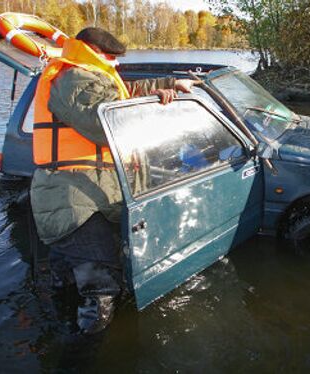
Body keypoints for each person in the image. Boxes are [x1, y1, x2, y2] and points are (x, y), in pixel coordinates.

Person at [29, 27, 197, 334]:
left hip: (86, 193)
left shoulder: (88, 75)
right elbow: (105, 124)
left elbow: (123, 93)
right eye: (110, 57)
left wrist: (169, 84)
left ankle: (57, 331)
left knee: (67, 284)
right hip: (75, 200)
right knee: (100, 294)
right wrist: (153, 111)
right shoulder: (74, 78)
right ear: (92, 50)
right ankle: (83, 358)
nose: (115, 64)